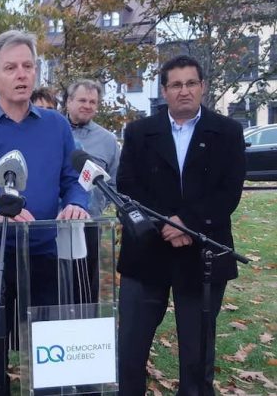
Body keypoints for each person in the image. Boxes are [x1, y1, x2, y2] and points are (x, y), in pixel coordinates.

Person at [0, 30, 89, 396]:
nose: (22, 74)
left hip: (43, 254)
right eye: (11, 67)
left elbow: (73, 179)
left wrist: (76, 202)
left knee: (49, 352)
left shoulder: (56, 126)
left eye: (28, 66)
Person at [116, 54, 246, 396]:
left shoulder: (228, 132)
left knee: (196, 352)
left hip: (202, 252)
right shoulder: (139, 132)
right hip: (147, 252)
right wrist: (165, 224)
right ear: (164, 91)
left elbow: (229, 191)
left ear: (202, 87)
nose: (184, 91)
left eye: (191, 83)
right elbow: (128, 186)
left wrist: (186, 223)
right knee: (131, 348)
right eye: (176, 84)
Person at [65, 79, 120, 218]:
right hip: (54, 219)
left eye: (92, 102)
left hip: (90, 221)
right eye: (82, 100)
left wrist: (98, 206)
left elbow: (114, 184)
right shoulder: (53, 132)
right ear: (69, 102)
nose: (87, 106)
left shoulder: (108, 140)